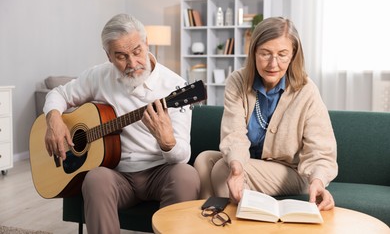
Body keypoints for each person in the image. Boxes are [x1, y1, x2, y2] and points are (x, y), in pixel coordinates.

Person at [43, 13, 200, 233]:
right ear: (108, 56)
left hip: (160, 172)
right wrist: (54, 119)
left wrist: (167, 142)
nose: (132, 63)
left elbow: (182, 156)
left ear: (147, 44)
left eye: (137, 52)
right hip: (116, 175)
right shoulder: (99, 76)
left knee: (187, 175)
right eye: (121, 56)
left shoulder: (174, 86)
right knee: (95, 179)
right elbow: (59, 93)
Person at [194, 17, 338, 211]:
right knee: (204, 160)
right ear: (254, 52)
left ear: (293, 55)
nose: (273, 63)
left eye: (282, 54)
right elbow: (233, 133)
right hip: (251, 163)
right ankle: (207, 222)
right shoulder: (238, 81)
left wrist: (318, 181)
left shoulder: (306, 90)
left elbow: (321, 149)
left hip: (290, 172)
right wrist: (237, 168)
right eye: (265, 53)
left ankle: (237, 226)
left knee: (221, 168)